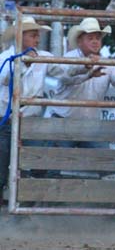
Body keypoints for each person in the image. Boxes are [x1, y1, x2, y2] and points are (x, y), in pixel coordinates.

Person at [44, 18, 115, 147]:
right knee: (55, 162)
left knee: (99, 162)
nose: (95, 42)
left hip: (89, 123)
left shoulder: (106, 63)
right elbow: (66, 76)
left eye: (98, 38)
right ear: (80, 41)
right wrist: (87, 69)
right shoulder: (69, 58)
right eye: (90, 38)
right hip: (64, 121)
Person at [0, 16, 61, 195]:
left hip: (30, 120)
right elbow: (4, 78)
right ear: (20, 36)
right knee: (2, 162)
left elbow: (65, 71)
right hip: (5, 119)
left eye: (37, 35)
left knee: (35, 160)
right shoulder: (4, 57)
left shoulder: (43, 57)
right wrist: (25, 63)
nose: (37, 39)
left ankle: (31, 197)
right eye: (33, 35)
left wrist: (85, 69)